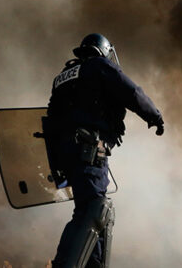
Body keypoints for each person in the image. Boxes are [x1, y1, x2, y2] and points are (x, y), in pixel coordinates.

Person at [44, 33, 164, 268]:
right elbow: (131, 92)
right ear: (103, 51)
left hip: (66, 155)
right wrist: (155, 116)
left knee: (90, 213)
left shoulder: (62, 78)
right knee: (95, 210)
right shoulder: (99, 66)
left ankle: (94, 264)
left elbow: (51, 119)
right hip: (89, 150)